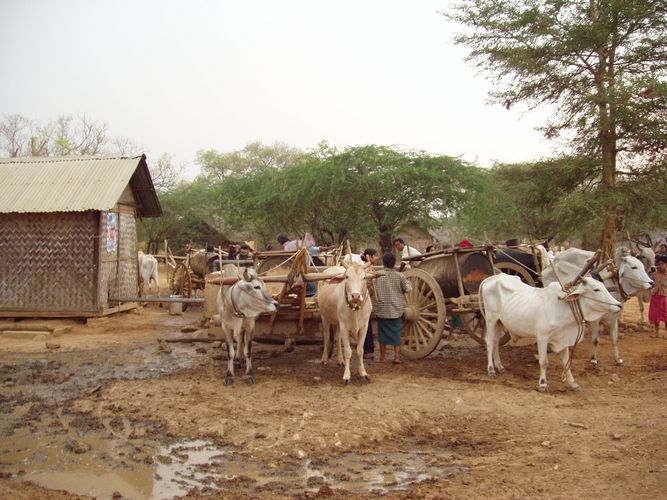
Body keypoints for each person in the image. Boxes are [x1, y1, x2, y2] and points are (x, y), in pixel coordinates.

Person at [371, 252, 412, 364]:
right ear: (394, 263)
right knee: (396, 333)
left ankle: (382, 358)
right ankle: (397, 357)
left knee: (382, 335)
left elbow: (370, 289)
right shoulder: (400, 276)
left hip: (382, 309)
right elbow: (408, 289)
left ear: (383, 263)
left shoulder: (377, 275)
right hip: (396, 309)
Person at [360, 248, 380, 359]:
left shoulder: (369, 268)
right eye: (375, 256)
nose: (377, 258)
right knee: (366, 325)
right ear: (369, 257)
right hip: (363, 301)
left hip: (367, 301)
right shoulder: (364, 268)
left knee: (367, 325)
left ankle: (367, 349)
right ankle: (367, 349)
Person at [649, 256, 667, 339]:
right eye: (658, 264)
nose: (660, 266)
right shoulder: (654, 275)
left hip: (663, 298)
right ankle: (657, 333)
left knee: (665, 315)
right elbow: (649, 283)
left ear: (666, 265)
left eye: (662, 264)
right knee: (656, 316)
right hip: (655, 297)